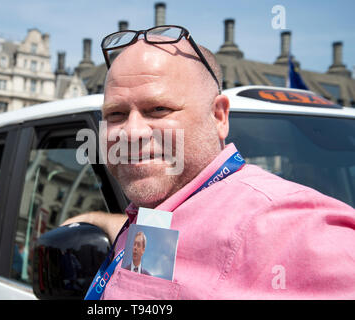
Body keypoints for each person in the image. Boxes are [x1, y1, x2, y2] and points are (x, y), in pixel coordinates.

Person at [64, 26, 355, 299]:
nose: (132, 132)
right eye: (116, 114)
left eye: (158, 109)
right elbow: (177, 244)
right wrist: (98, 221)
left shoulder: (285, 222)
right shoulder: (164, 211)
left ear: (218, 117)